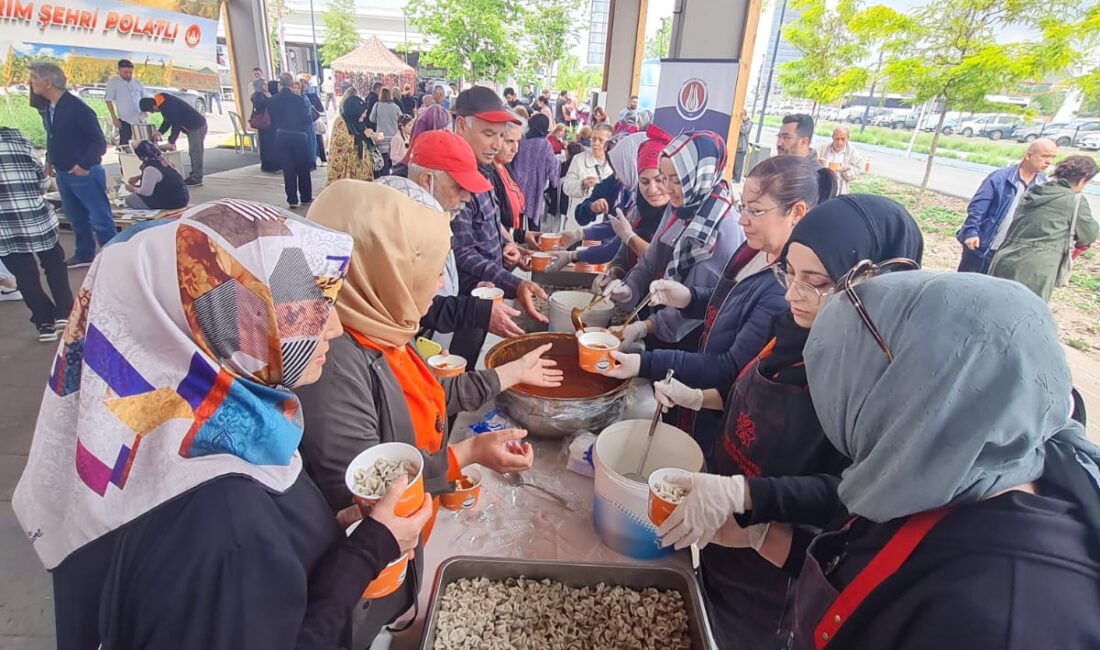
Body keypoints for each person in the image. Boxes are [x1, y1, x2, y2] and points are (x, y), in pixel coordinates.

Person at [13, 199, 435, 650]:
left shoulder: (177, 427)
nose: (332, 326)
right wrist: (368, 553)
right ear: (216, 323)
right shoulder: (221, 515)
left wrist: (328, 533)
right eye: (302, 305)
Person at [681, 271, 1100, 649]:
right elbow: (863, 573)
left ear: (910, 391)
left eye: (849, 391)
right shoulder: (932, 473)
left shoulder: (1003, 613)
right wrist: (758, 536)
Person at [654, 194, 923, 650]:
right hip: (723, 545)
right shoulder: (790, 329)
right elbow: (755, 402)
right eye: (789, 274)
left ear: (873, 284)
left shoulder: (880, 383)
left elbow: (847, 495)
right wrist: (698, 398)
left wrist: (753, 517)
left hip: (781, 588)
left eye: (815, 282)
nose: (793, 293)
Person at [298, 181, 560, 641]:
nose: (439, 284)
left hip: (397, 558)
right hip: (359, 592)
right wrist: (469, 452)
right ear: (386, 268)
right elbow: (372, 490)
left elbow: (425, 392)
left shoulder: (382, 323)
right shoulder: (331, 361)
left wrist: (508, 374)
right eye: (432, 269)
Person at [604, 157, 836, 454]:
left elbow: (731, 366)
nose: (742, 220)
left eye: (755, 210)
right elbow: (729, 301)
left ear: (797, 212)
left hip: (729, 407)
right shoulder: (754, 250)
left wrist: (644, 363)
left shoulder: (784, 286)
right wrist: (690, 298)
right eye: (743, 207)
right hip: (708, 373)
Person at [375, 131, 526, 343]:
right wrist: (473, 311)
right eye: (458, 187)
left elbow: (444, 275)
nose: (466, 198)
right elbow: (408, 303)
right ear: (427, 181)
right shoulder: (395, 225)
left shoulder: (434, 214)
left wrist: (471, 288)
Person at [601, 131, 746, 351]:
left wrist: (642, 327)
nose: (666, 188)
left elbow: (700, 302)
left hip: (689, 341)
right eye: (664, 177)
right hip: (658, 325)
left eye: (676, 180)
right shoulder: (679, 208)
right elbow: (650, 260)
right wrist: (628, 289)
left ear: (700, 175)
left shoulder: (725, 226)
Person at [450, 87, 548, 366]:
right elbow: (461, 252)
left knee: (466, 363)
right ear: (460, 125)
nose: (496, 144)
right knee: (454, 370)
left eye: (501, 136)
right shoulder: (453, 181)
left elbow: (491, 226)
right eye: (488, 134)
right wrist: (513, 283)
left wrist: (510, 244)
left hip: (485, 292)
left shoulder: (486, 170)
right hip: (464, 298)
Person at [30, 62, 115, 267]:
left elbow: (99, 142)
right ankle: (84, 254)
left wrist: (83, 165)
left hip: (84, 173)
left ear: (47, 83)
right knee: (76, 218)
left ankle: (113, 258)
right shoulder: (49, 108)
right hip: (63, 173)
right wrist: (50, 159)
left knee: (100, 219)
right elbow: (54, 137)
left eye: (34, 80)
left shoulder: (77, 108)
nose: (31, 84)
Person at [549, 129, 671, 272]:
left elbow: (654, 259)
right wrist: (617, 270)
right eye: (644, 182)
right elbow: (618, 234)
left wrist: (574, 253)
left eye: (659, 180)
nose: (652, 189)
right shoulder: (638, 203)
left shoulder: (676, 215)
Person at [988, 155, 1098, 301]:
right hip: (1037, 268)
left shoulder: (1034, 191)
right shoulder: (1074, 200)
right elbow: (1089, 234)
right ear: (1083, 180)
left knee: (994, 306)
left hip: (1005, 258)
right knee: (1025, 313)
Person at [0, 126, 74, 342]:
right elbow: (43, 182)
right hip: (35, 217)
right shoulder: (17, 139)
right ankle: (64, 312)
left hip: (3, 226)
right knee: (54, 264)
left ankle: (44, 323)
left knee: (25, 276)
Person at [956, 138, 1057, 273]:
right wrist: (971, 232)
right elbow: (978, 207)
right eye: (1045, 156)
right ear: (1028, 156)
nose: (1049, 161)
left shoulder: (1043, 185)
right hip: (983, 247)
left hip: (1011, 255)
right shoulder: (1000, 178)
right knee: (967, 285)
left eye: (1052, 157)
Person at [266, 73, 314, 208]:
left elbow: (272, 119)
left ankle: (292, 199)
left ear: (279, 84)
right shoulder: (298, 100)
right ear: (292, 83)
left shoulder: (273, 100)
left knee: (288, 169)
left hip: (281, 135)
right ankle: (305, 197)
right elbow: (307, 120)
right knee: (302, 168)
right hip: (299, 136)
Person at [139, 93, 207, 186]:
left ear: (154, 106)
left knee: (195, 152)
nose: (153, 112)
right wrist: (160, 132)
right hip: (192, 127)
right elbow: (168, 120)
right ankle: (194, 176)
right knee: (193, 152)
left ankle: (197, 178)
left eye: (152, 111)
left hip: (196, 126)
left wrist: (171, 142)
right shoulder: (164, 103)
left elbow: (176, 124)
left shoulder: (167, 105)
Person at [511, 113, 560, 233]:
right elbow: (552, 165)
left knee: (518, 214)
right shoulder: (545, 144)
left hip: (517, 181)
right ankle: (534, 243)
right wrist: (555, 182)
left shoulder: (521, 139)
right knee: (534, 216)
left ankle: (517, 241)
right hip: (535, 184)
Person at [562, 123, 614, 229]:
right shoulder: (579, 160)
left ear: (608, 143)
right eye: (593, 139)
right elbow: (566, 187)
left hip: (603, 226)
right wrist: (582, 184)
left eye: (600, 140)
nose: (595, 143)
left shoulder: (614, 164)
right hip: (578, 224)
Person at [328, 86, 379, 184]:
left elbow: (364, 141)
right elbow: (341, 144)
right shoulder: (340, 122)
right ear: (355, 111)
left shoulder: (358, 122)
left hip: (360, 172)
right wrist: (362, 135)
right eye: (362, 113)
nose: (364, 116)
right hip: (345, 172)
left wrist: (373, 138)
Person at [123, 141, 188, 210]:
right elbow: (162, 175)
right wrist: (139, 177)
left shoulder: (150, 168)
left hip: (173, 202)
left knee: (131, 199)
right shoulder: (163, 160)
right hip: (182, 197)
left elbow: (146, 192)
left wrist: (132, 189)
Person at [492, 120, 527, 243]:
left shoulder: (504, 165)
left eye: (518, 141)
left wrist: (524, 235)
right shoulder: (490, 173)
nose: (515, 149)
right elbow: (492, 222)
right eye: (509, 141)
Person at [104, 59, 146, 148]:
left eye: (130, 72)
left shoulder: (137, 82)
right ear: (119, 70)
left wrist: (144, 110)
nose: (128, 75)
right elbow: (108, 100)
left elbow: (144, 98)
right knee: (124, 145)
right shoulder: (113, 82)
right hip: (125, 120)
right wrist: (114, 118)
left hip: (139, 119)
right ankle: (124, 162)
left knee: (142, 144)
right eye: (125, 72)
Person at [814, 127, 867, 194]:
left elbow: (860, 169)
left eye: (843, 139)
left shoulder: (852, 152)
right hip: (822, 188)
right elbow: (809, 164)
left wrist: (847, 169)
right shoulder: (821, 149)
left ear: (847, 138)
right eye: (837, 139)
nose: (839, 142)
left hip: (840, 190)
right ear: (832, 137)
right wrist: (817, 164)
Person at [370, 88, 404, 175]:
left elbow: (371, 119)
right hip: (393, 137)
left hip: (381, 136)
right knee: (392, 159)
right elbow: (401, 119)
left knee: (383, 161)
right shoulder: (396, 107)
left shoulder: (377, 105)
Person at [250, 79, 281, 173]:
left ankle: (267, 164)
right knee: (269, 145)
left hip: (265, 124)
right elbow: (263, 106)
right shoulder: (258, 95)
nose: (267, 86)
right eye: (265, 84)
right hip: (266, 124)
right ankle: (271, 165)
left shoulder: (260, 95)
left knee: (266, 144)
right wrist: (270, 98)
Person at [733, 110, 753, 182]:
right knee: (735, 164)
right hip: (737, 146)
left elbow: (744, 130)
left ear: (744, 115)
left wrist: (741, 123)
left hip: (742, 147)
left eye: (741, 116)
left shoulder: (749, 123)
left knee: (738, 165)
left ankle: (737, 179)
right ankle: (733, 177)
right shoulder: (743, 122)